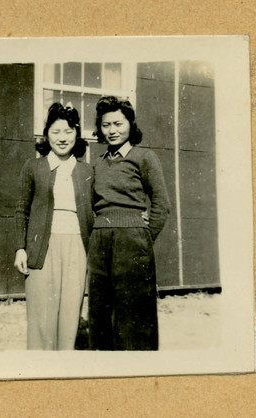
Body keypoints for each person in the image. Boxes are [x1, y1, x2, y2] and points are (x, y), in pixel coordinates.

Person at [88, 96, 170, 351]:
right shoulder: (98, 163)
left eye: (118, 124)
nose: (112, 130)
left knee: (134, 314)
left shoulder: (144, 157)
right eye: (105, 125)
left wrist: (142, 237)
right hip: (101, 242)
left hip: (133, 243)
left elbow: (161, 204)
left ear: (130, 124)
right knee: (101, 311)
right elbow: (93, 204)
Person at [14, 103, 94, 350]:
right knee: (41, 317)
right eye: (56, 131)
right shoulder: (33, 167)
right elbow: (21, 210)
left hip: (77, 247)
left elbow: (101, 206)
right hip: (41, 248)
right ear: (46, 134)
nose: (62, 138)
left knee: (70, 314)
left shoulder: (86, 170)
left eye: (68, 131)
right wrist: (20, 248)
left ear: (76, 134)